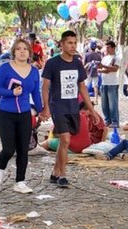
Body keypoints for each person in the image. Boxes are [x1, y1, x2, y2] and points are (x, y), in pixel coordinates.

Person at [40, 30, 98, 188]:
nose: (72, 46)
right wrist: (45, 107)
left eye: (74, 43)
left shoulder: (78, 63)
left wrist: (92, 110)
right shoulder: (52, 63)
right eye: (69, 43)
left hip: (73, 107)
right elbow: (45, 87)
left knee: (64, 143)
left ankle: (55, 171)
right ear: (62, 44)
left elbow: (82, 87)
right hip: (57, 106)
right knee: (65, 139)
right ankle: (62, 175)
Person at [0, 39, 43, 193]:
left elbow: (35, 93)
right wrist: (11, 93)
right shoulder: (5, 68)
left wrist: (41, 110)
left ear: (29, 52)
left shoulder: (33, 71)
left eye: (25, 49)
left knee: (23, 149)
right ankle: (1, 168)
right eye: (18, 49)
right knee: (8, 149)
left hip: (25, 114)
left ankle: (20, 182)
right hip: (6, 113)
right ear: (13, 52)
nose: (22, 51)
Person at [39, 100, 107, 153]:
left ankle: (35, 147)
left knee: (48, 142)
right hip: (86, 144)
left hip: (75, 147)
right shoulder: (84, 117)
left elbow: (58, 134)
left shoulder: (67, 116)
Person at [98, 40, 120, 128]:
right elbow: (105, 70)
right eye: (106, 47)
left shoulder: (116, 58)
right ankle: (107, 120)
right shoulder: (105, 58)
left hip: (113, 83)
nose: (106, 49)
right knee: (104, 104)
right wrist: (104, 69)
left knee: (112, 104)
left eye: (108, 47)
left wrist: (103, 67)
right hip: (104, 82)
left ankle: (115, 121)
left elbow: (114, 69)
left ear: (113, 48)